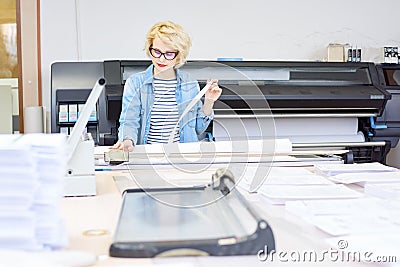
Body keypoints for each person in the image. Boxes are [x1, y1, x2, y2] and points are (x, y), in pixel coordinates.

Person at [112, 21, 222, 151]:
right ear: (150, 49)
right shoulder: (135, 83)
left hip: (182, 156)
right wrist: (127, 141)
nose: (161, 59)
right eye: (157, 51)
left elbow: (198, 129)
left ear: (179, 55)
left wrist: (209, 101)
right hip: (149, 156)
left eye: (169, 54)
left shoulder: (190, 83)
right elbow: (129, 121)